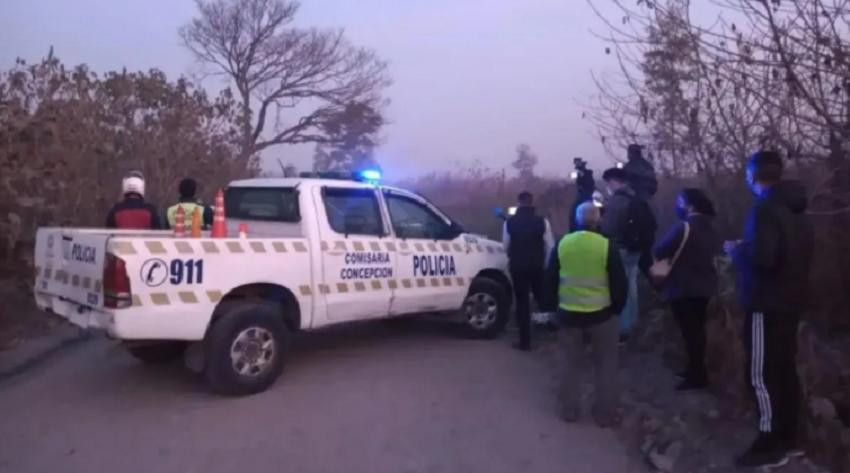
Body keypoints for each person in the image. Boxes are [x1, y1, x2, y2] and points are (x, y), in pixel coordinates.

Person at [724, 151, 814, 469]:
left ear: (753, 176)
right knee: (785, 369)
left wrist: (737, 252)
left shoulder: (764, 209)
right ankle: (791, 437)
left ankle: (769, 442)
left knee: (760, 373)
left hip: (765, 303)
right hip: (792, 301)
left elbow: (763, 258)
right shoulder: (799, 210)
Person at [544, 202, 627, 426]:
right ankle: (604, 414)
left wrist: (551, 310)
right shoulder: (607, 246)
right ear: (597, 220)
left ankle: (569, 410)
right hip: (602, 315)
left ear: (577, 219)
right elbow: (619, 282)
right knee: (606, 365)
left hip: (568, 315)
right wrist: (616, 309)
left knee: (569, 364)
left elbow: (550, 280)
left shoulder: (563, 244)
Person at [653, 188, 720, 391]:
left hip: (682, 287)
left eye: (680, 201)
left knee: (690, 333)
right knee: (697, 331)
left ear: (689, 205)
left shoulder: (684, 227)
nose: (678, 205)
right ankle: (694, 370)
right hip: (705, 287)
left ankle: (696, 375)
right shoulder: (711, 228)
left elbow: (660, 249)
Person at [601, 167, 655, 342]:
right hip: (636, 249)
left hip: (621, 248)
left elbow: (608, 228)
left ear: (614, 181)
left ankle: (623, 329)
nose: (607, 186)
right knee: (632, 287)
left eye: (608, 183)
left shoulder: (617, 201)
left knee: (620, 288)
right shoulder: (635, 196)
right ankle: (633, 322)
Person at [502, 191, 555, 351]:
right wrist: (545, 264)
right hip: (537, 266)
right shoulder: (543, 222)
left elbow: (505, 245)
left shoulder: (509, 223)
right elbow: (550, 245)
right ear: (532, 203)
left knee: (522, 303)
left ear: (518, 203)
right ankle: (551, 329)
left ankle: (525, 341)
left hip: (518, 266)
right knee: (542, 299)